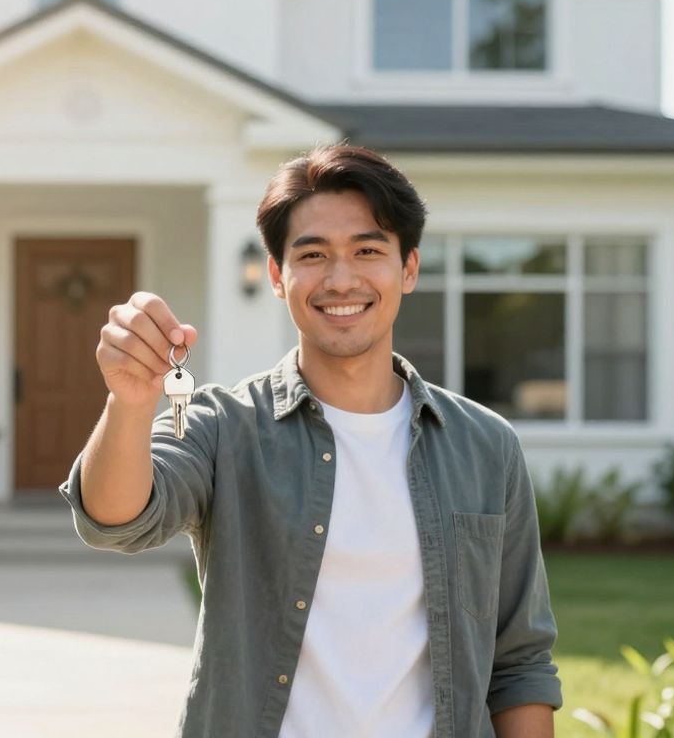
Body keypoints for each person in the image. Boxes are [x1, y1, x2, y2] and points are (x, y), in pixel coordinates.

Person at [59, 143, 563, 737]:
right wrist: (129, 400)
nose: (341, 278)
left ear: (408, 268)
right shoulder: (224, 425)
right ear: (278, 275)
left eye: (368, 250)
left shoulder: (485, 445)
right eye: (314, 254)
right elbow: (114, 520)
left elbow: (520, 662)